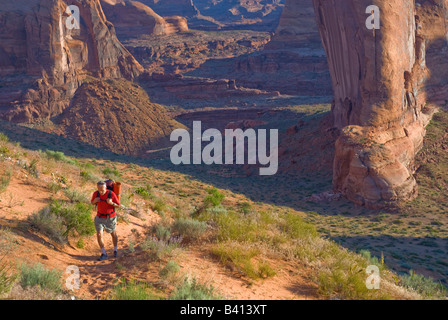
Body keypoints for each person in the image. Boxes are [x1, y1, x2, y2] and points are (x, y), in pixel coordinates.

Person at [91, 181, 120, 261]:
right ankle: (104, 253)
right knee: (99, 234)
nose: (101, 192)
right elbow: (92, 203)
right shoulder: (95, 194)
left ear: (105, 188)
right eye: (99, 190)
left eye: (102, 190)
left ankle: (115, 250)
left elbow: (118, 205)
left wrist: (111, 203)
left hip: (110, 218)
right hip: (99, 217)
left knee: (113, 234)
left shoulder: (111, 194)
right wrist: (95, 201)